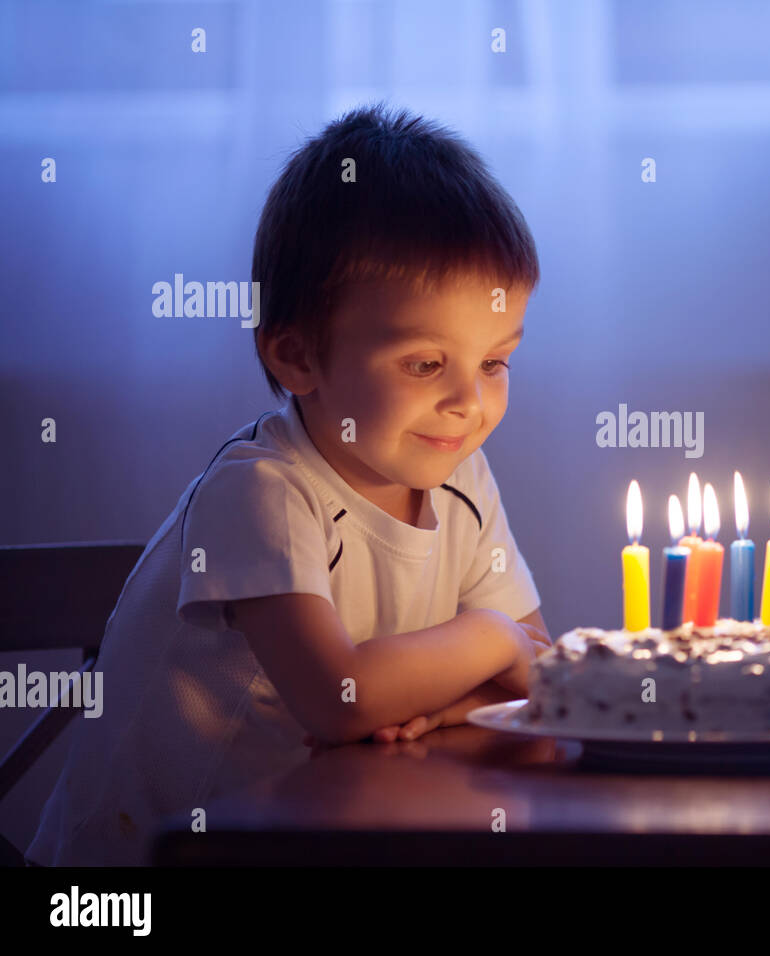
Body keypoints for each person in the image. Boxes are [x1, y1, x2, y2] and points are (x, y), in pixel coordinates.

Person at [26, 103, 550, 866]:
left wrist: (455, 700)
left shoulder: (460, 475)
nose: (470, 404)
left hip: (304, 840)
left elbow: (543, 679)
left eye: (495, 363)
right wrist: (492, 640)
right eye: (426, 363)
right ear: (297, 357)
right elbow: (343, 698)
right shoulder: (262, 491)